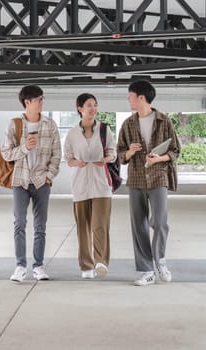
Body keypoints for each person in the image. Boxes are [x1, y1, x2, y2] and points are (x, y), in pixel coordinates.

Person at [117, 80, 180, 286]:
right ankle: (146, 270)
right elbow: (120, 155)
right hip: (135, 178)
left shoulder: (164, 120)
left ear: (141, 97)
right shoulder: (128, 124)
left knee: (160, 222)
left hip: (158, 176)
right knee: (139, 225)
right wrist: (130, 152)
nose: (128, 99)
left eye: (130, 95)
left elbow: (175, 150)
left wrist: (159, 159)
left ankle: (160, 259)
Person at [0, 85, 61, 283]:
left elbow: (56, 154)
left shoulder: (50, 124)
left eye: (42, 99)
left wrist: (49, 176)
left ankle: (38, 266)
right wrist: (25, 147)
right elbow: (6, 153)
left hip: (42, 181)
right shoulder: (15, 124)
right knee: (19, 223)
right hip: (20, 181)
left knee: (40, 226)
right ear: (27, 102)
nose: (42, 102)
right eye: (39, 99)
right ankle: (20, 266)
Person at [64, 93, 117, 279]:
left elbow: (113, 151)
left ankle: (101, 261)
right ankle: (86, 266)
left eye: (95, 105)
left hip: (101, 184)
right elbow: (67, 158)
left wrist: (108, 158)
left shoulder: (104, 130)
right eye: (89, 105)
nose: (93, 108)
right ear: (80, 108)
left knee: (99, 225)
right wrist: (74, 162)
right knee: (83, 227)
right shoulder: (71, 134)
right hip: (80, 185)